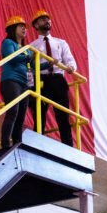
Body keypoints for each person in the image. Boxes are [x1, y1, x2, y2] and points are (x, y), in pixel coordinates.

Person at [29, 9, 77, 146]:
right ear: (36, 25)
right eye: (43, 19)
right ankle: (36, 145)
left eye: (48, 19)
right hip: (41, 81)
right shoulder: (31, 46)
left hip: (58, 80)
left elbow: (69, 59)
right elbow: (30, 67)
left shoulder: (60, 43)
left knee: (63, 115)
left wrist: (71, 67)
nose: (47, 21)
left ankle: (68, 147)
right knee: (39, 115)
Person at [0, 15, 30, 149]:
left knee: (21, 116)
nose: (24, 29)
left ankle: (17, 144)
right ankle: (6, 144)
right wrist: (29, 57)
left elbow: (33, 66)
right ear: (13, 28)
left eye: (25, 27)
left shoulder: (27, 49)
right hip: (11, 80)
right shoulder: (7, 43)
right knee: (13, 111)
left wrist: (51, 65)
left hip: (24, 84)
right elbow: (12, 58)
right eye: (21, 26)